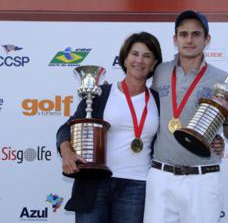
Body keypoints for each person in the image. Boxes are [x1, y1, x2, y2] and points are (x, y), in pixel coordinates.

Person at [143, 10, 228, 223]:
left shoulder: (222, 79)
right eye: (183, 34)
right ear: (175, 39)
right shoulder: (159, 71)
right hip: (161, 176)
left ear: (207, 39)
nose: (189, 40)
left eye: (196, 34)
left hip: (203, 179)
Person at [56, 31, 162, 223]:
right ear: (125, 58)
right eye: (135, 54)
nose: (140, 60)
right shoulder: (101, 93)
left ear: (154, 63)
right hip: (95, 184)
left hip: (137, 186)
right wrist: (66, 151)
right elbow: (66, 128)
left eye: (147, 56)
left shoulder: (158, 100)